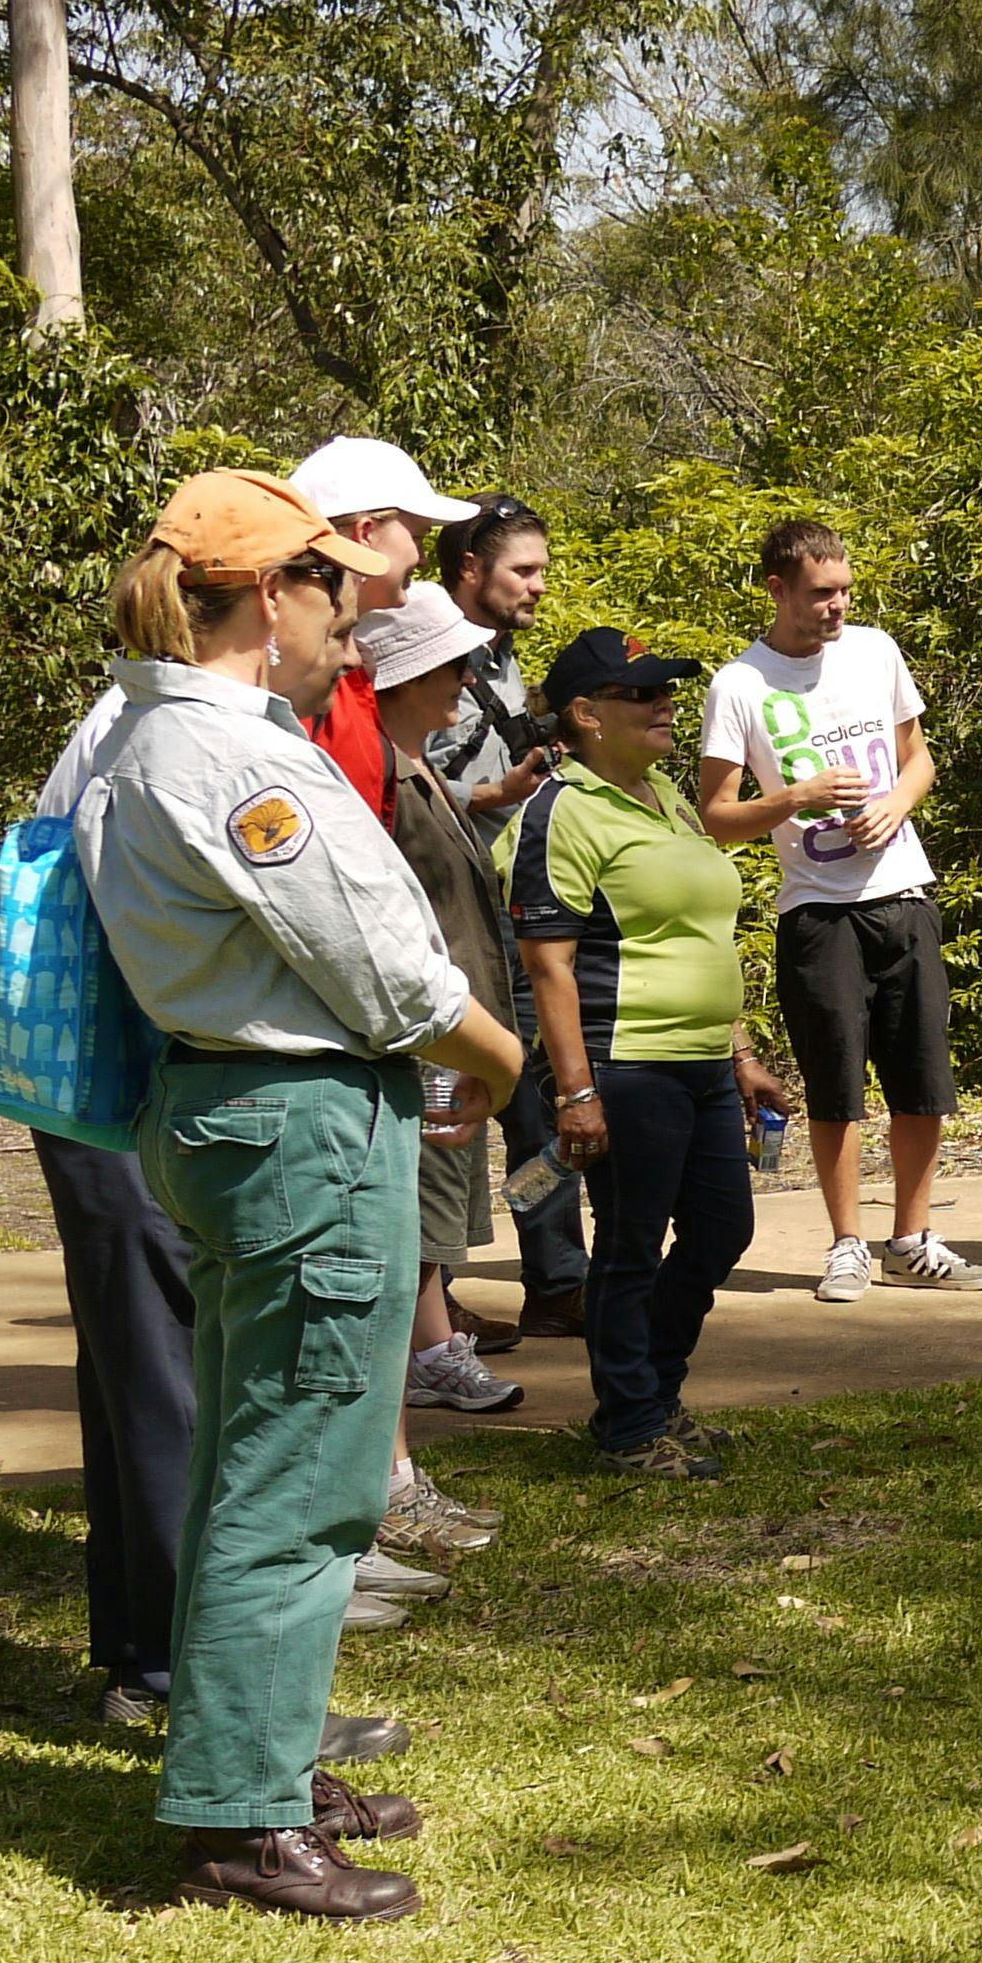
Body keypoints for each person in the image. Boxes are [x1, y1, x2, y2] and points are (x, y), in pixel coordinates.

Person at [75, 468, 524, 1919]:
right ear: (268, 598)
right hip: (300, 1125)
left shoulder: (138, 732)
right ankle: (244, 1818)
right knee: (306, 1470)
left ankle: (253, 1756)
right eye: (334, 584)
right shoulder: (232, 758)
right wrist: (501, 1057)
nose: (358, 608)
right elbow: (386, 970)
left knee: (246, 1451)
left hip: (227, 1108)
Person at [501, 626, 792, 1479]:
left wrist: (738, 1053)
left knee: (721, 1230)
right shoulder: (560, 812)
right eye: (642, 694)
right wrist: (576, 1093)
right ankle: (631, 1426)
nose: (667, 703)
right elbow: (547, 963)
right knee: (629, 1244)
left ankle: (655, 1397)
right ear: (586, 714)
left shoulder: (664, 795)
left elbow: (699, 934)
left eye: (667, 689)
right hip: (622, 1063)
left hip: (701, 1062)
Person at [693, 518, 982, 1302]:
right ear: (778, 589)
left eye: (846, 591)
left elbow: (917, 757)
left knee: (922, 1078)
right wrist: (795, 797)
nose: (837, 607)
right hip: (818, 913)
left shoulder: (875, 652)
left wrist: (897, 804)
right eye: (821, 593)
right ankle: (847, 1243)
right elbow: (717, 818)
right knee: (836, 1085)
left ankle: (913, 1239)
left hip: (902, 895)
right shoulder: (740, 684)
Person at [357, 584, 529, 1433]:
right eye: (451, 663)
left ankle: (429, 1348)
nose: (466, 678)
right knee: (420, 1192)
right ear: (407, 672)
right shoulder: (378, 773)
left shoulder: (423, 766)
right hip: (424, 1026)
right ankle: (423, 1357)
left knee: (445, 1188)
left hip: (458, 1022)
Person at [428, 495, 581, 1345]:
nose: (538, 587)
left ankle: (558, 1282)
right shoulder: (413, 650)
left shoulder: (503, 657)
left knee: (541, 1102)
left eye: (542, 571)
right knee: (449, 1098)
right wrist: (490, 794)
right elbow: (385, 780)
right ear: (468, 571)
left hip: (516, 910)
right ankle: (430, 1298)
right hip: (443, 918)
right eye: (524, 571)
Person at [286, 438, 478, 824]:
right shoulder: (294, 669)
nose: (423, 558)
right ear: (366, 533)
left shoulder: (341, 663)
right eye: (419, 537)